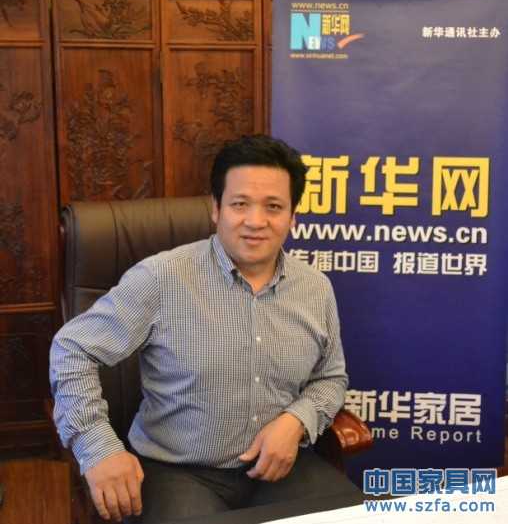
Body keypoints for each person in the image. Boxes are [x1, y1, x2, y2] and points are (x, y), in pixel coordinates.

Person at [50, 135, 360, 523]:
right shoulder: (161, 278)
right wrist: (99, 448)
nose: (256, 221)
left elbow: (330, 378)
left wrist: (297, 420)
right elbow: (73, 349)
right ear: (216, 209)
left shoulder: (315, 288)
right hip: (177, 473)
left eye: (274, 207)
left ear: (293, 216)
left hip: (281, 467)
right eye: (240, 204)